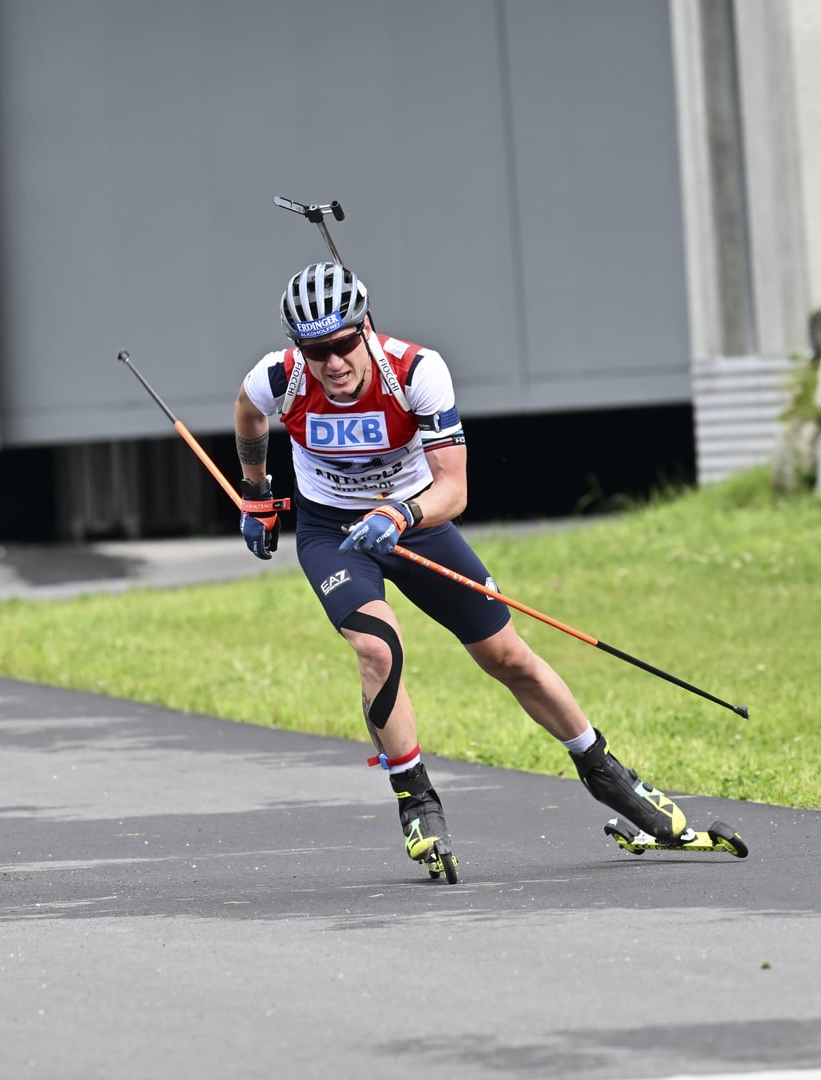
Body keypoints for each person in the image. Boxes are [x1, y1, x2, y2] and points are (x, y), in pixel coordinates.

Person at [231, 262, 689, 877]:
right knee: (376, 647)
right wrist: (257, 494)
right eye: (317, 351)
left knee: (507, 656)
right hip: (333, 531)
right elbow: (247, 413)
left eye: (343, 344)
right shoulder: (279, 378)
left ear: (365, 329)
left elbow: (454, 491)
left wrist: (400, 513)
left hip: (418, 520)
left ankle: (607, 772)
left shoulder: (417, 373)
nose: (333, 363)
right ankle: (416, 799)